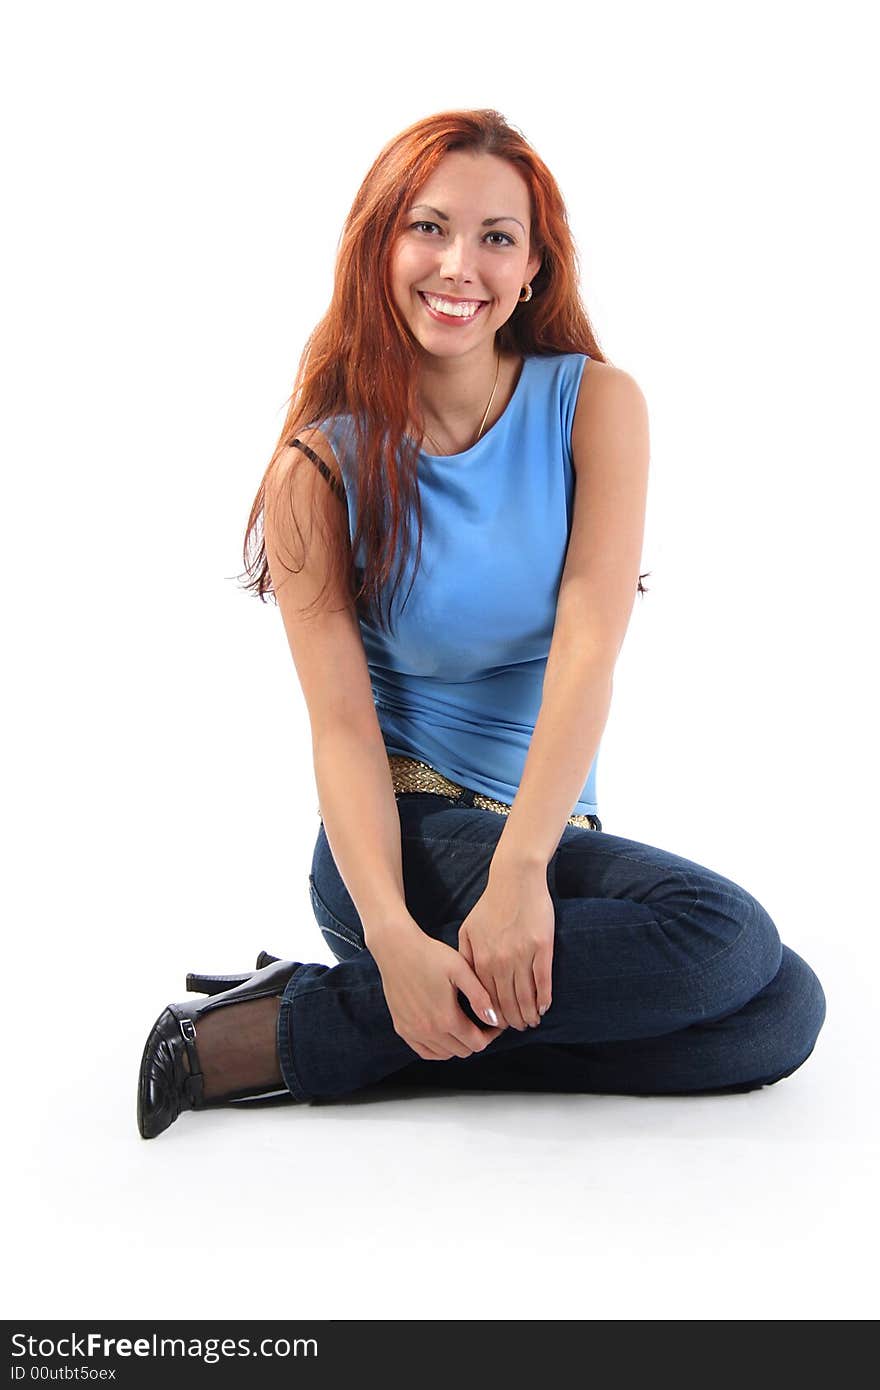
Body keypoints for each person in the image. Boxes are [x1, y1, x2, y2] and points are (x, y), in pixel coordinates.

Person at [137, 108, 826, 1139]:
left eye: (497, 237)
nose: (460, 264)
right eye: (429, 227)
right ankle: (281, 1030)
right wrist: (391, 932)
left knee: (778, 1013)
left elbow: (588, 653)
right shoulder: (318, 471)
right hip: (402, 847)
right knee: (725, 942)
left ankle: (316, 1018)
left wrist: (518, 877)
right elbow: (341, 733)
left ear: (535, 271)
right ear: (380, 247)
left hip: (539, 849)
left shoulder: (596, 406)